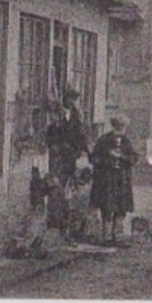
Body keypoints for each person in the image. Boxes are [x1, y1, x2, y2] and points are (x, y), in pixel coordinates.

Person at [45, 85, 89, 235]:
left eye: (74, 100)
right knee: (56, 187)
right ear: (64, 98)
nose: (72, 102)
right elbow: (51, 134)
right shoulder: (56, 114)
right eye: (70, 99)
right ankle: (55, 219)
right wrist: (56, 146)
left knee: (70, 190)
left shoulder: (76, 115)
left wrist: (81, 151)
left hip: (71, 157)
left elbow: (81, 136)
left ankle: (67, 222)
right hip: (58, 157)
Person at [89, 117, 138, 246]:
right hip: (107, 180)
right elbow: (94, 158)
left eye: (123, 127)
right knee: (107, 208)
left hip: (122, 180)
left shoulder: (126, 142)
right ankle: (107, 237)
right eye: (118, 127)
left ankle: (119, 237)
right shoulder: (104, 140)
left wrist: (122, 157)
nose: (120, 130)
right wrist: (106, 160)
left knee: (121, 209)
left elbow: (134, 158)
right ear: (114, 127)